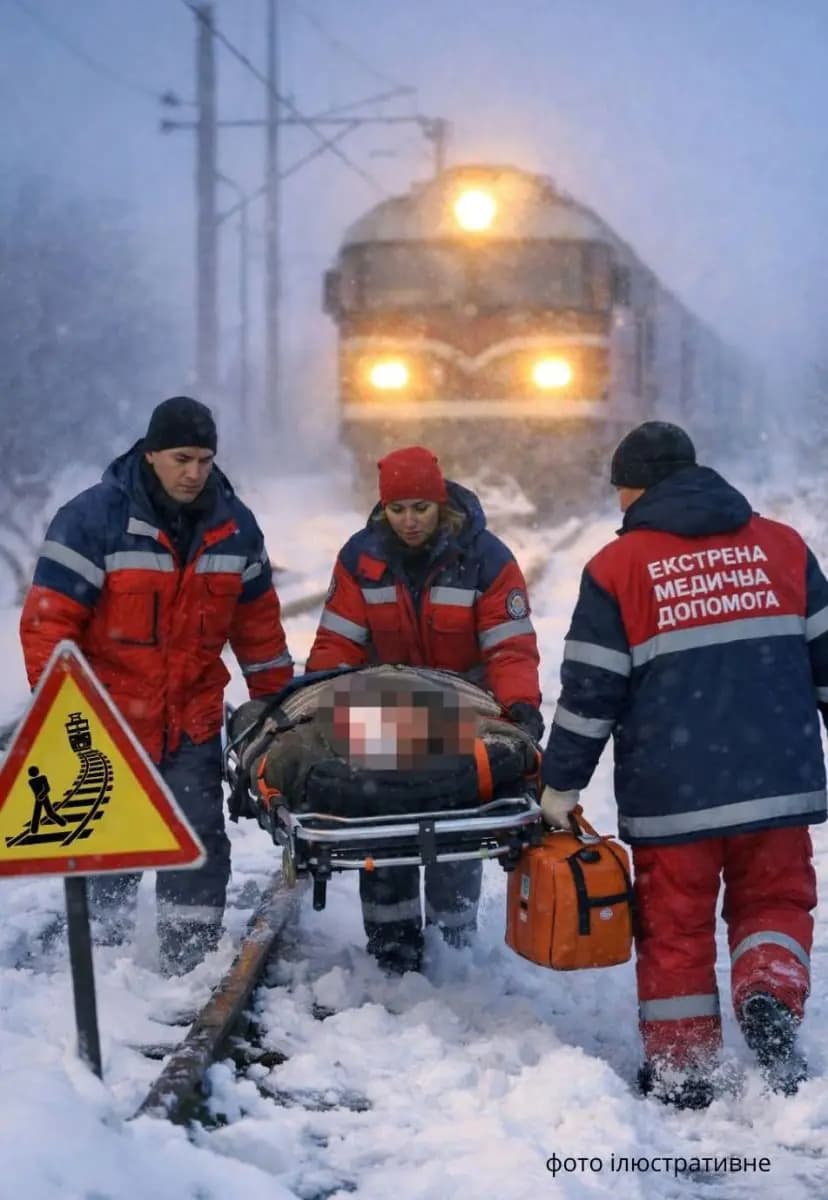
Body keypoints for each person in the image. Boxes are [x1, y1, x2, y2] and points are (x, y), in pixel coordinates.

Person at [539, 420, 827, 1107]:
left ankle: (686, 1068)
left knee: (676, 924)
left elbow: (591, 695)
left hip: (675, 794)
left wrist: (560, 785)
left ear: (632, 489)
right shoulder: (782, 547)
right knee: (775, 899)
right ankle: (768, 992)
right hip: (776, 782)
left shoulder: (618, 568)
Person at [20, 396, 293, 973]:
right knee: (107, 842)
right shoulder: (92, 520)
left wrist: (275, 711)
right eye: (181, 458)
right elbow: (50, 623)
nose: (194, 472)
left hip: (190, 719)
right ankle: (104, 960)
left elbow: (258, 628)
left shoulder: (234, 529)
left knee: (195, 841)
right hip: (105, 721)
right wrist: (61, 713)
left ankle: (185, 966)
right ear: (151, 455)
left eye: (204, 459)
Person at [306, 445, 543, 973]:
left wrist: (520, 706)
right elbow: (335, 648)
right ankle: (392, 946)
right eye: (397, 510)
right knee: (384, 823)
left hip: (465, 715)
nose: (409, 522)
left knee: (455, 824)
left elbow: (510, 648)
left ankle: (454, 938)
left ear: (440, 504)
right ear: (383, 510)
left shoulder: (486, 560)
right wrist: (318, 707)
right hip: (381, 715)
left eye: (420, 508)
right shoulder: (360, 560)